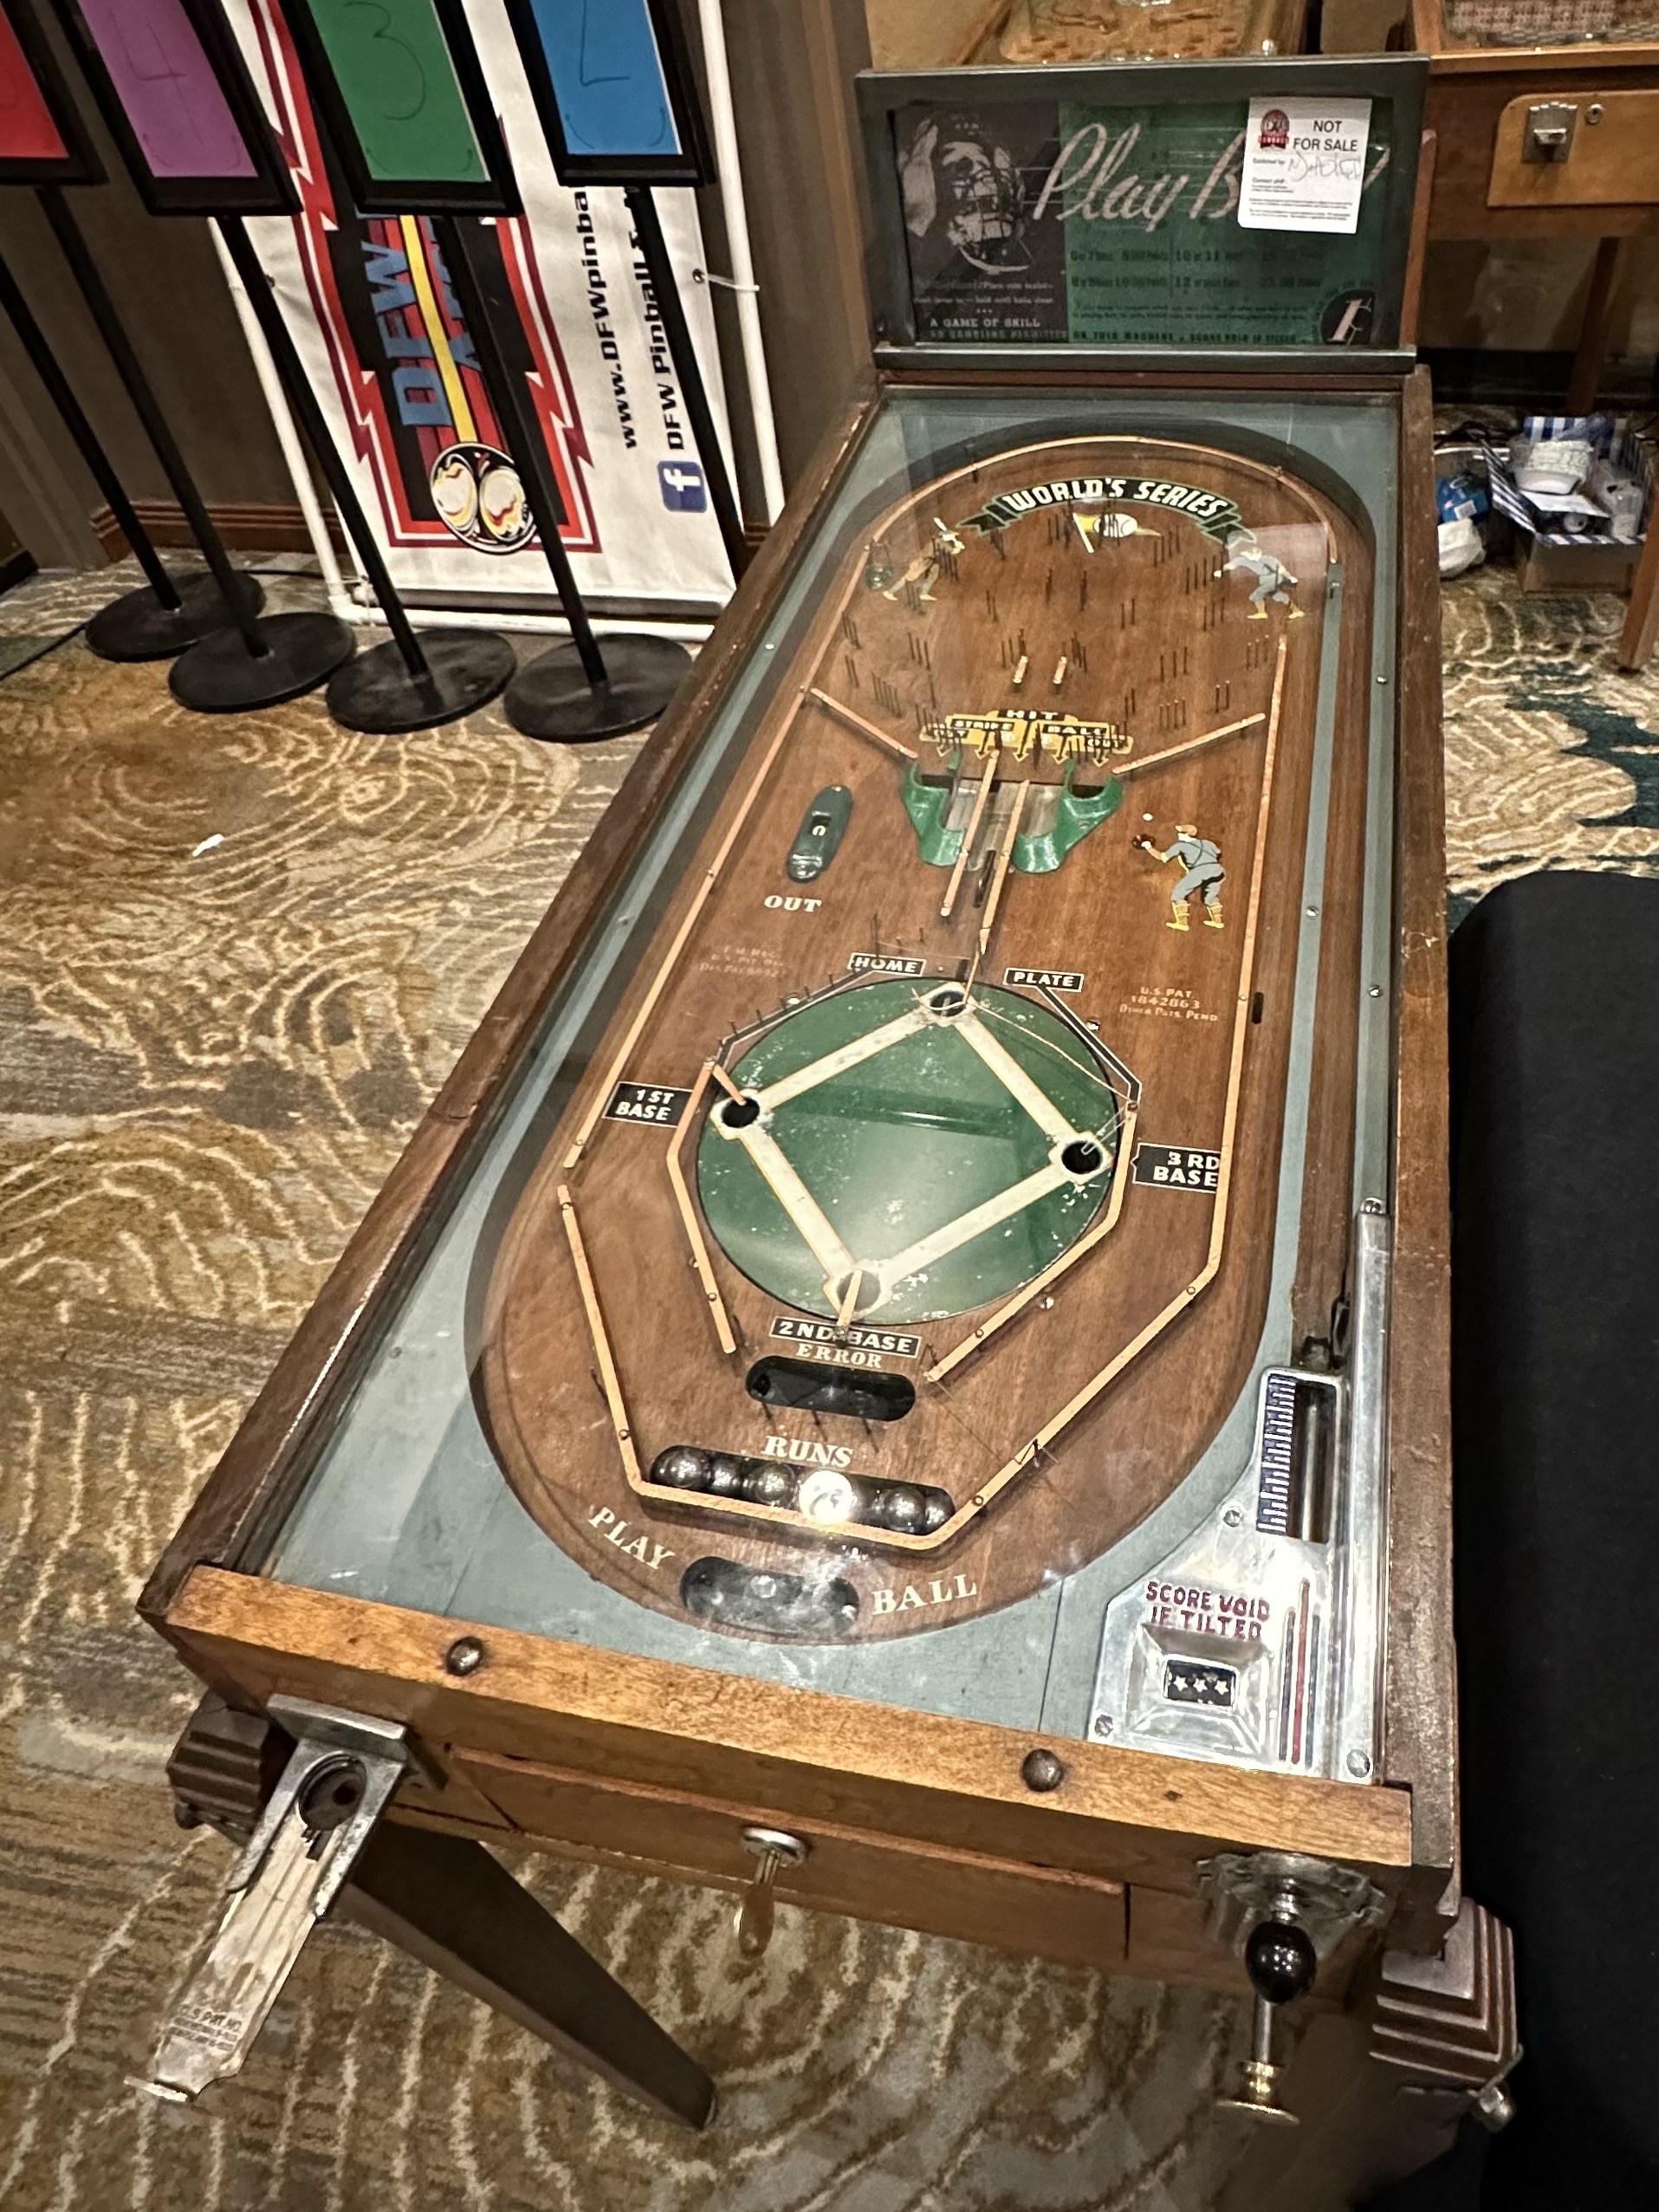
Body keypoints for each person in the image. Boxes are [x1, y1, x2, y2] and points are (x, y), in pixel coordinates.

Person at [1134, 824, 1225, 931]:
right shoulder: (1207, 843)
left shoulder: (1180, 846)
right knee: (1210, 896)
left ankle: (1182, 923)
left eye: (1180, 833)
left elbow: (1162, 857)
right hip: (1218, 871)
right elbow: (1218, 854)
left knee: (1179, 892)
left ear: (1184, 835)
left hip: (1199, 871)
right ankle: (1218, 921)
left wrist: (1148, 846)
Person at [1221, 528, 1303, 619]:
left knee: (1256, 595)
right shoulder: (1245, 559)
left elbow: (1282, 570)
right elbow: (1232, 564)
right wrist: (1221, 571)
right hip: (1266, 580)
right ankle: (1296, 611)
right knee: (1277, 595)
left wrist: (1290, 577)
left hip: (1272, 579)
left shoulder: (1269, 559)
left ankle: (1262, 612)